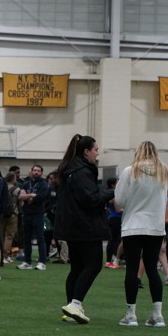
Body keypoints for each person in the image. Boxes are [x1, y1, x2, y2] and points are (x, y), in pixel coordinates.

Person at [55, 135, 115, 324]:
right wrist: (112, 193)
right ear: (86, 151)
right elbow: (91, 198)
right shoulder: (81, 171)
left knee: (77, 268)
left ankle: (70, 309)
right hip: (85, 226)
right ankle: (75, 304)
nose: (97, 153)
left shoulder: (69, 169)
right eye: (95, 150)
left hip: (72, 226)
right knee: (94, 265)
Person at [113, 141, 168, 327]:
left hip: (133, 226)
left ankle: (130, 315)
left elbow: (120, 199)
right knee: (152, 269)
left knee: (132, 268)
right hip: (155, 227)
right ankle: (157, 315)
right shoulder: (163, 171)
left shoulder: (130, 171)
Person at [17, 164, 50, 270]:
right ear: (31, 171)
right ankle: (27, 262)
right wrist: (31, 195)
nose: (36, 172)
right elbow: (20, 197)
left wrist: (28, 196)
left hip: (38, 214)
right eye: (34, 170)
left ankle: (42, 262)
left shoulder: (43, 184)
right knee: (26, 239)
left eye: (38, 171)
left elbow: (41, 197)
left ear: (41, 172)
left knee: (40, 238)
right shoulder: (26, 183)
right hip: (26, 213)